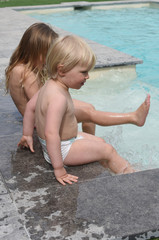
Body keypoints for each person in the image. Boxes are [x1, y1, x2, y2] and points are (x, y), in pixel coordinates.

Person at [18, 35, 143, 186]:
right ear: (62, 70)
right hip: (63, 151)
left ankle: (110, 170)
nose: (87, 76)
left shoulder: (48, 85)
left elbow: (30, 108)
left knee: (101, 142)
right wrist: (59, 169)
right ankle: (133, 179)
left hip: (64, 142)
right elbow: (51, 133)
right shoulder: (58, 98)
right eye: (83, 72)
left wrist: (27, 134)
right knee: (108, 150)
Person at [5, 23, 150, 136]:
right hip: (40, 121)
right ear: (34, 50)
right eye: (47, 55)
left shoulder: (22, 67)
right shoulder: (25, 72)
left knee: (90, 107)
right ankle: (133, 117)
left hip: (41, 115)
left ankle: (89, 142)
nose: (50, 60)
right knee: (89, 113)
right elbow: (40, 103)